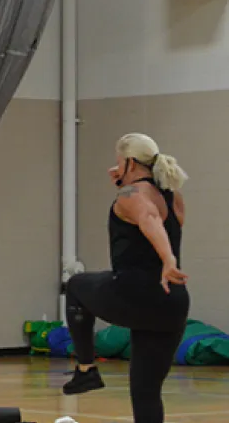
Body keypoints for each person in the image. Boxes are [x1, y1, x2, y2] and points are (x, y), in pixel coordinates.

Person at [62, 133, 190, 423]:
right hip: (171, 301)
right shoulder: (173, 196)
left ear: (130, 162)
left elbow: (149, 220)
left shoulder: (131, 196)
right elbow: (156, 217)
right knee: (146, 391)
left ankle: (86, 370)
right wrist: (125, 181)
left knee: (76, 285)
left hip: (134, 293)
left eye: (119, 162)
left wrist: (168, 259)